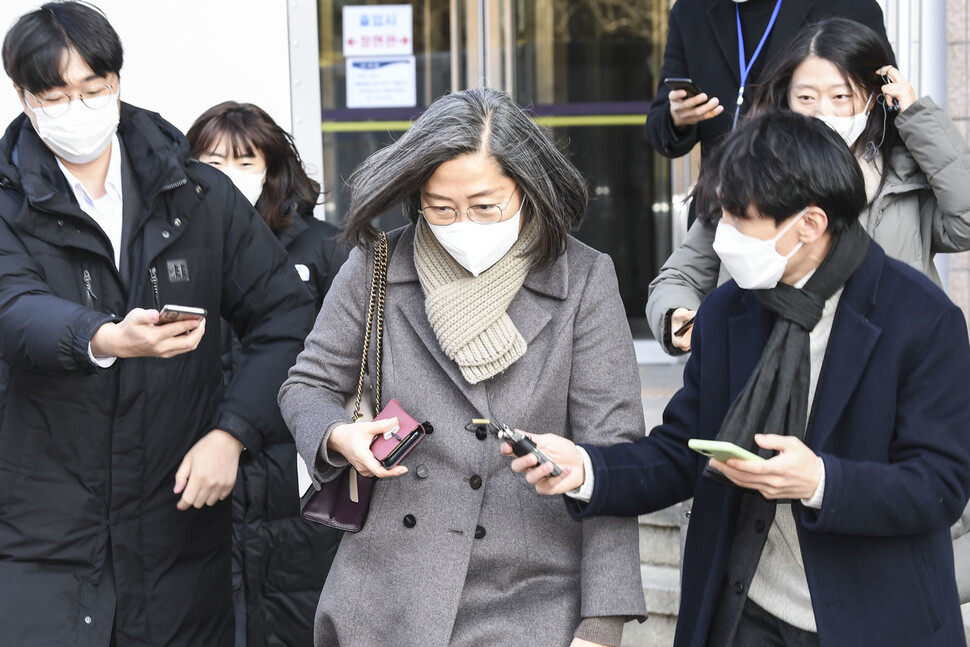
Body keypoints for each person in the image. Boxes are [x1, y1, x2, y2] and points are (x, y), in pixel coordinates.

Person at [511, 110, 970, 646]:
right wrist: (586, 467)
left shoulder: (920, 317)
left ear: (811, 224)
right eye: (720, 215)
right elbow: (685, 449)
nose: (723, 235)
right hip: (743, 610)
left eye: (739, 219)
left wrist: (821, 481)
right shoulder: (730, 309)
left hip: (875, 617)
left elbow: (940, 486)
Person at [278, 87, 647, 647]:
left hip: (531, 596)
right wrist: (336, 435)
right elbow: (307, 383)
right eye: (440, 207)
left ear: (526, 189)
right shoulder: (376, 264)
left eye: (484, 206)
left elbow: (612, 454)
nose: (462, 225)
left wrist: (602, 626)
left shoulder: (584, 278)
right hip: (384, 594)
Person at [0, 3, 316, 645]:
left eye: (94, 89)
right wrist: (103, 336)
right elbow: (12, 305)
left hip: (176, 522)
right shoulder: (7, 199)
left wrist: (233, 434)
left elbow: (285, 317)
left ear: (117, 83)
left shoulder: (198, 194)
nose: (78, 108)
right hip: (42, 523)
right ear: (24, 98)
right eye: (56, 95)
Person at [647, 18, 970, 355]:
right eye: (805, 97)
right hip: (771, 372)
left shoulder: (902, 178)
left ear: (874, 98)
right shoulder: (748, 175)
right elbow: (679, 277)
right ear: (786, 98)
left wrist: (917, 116)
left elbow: (965, 222)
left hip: (889, 370)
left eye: (841, 96)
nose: (822, 111)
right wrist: (675, 316)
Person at [187, 101, 347, 647]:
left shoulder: (327, 249)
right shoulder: (174, 251)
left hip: (296, 470)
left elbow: (359, 360)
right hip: (206, 463)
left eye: (244, 162)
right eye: (211, 162)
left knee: (299, 611)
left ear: (273, 170)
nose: (227, 177)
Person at [647, 0, 890, 162]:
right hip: (722, 210)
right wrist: (677, 119)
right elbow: (658, 130)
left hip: (819, 203)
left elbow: (886, 107)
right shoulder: (690, 10)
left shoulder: (847, 5)